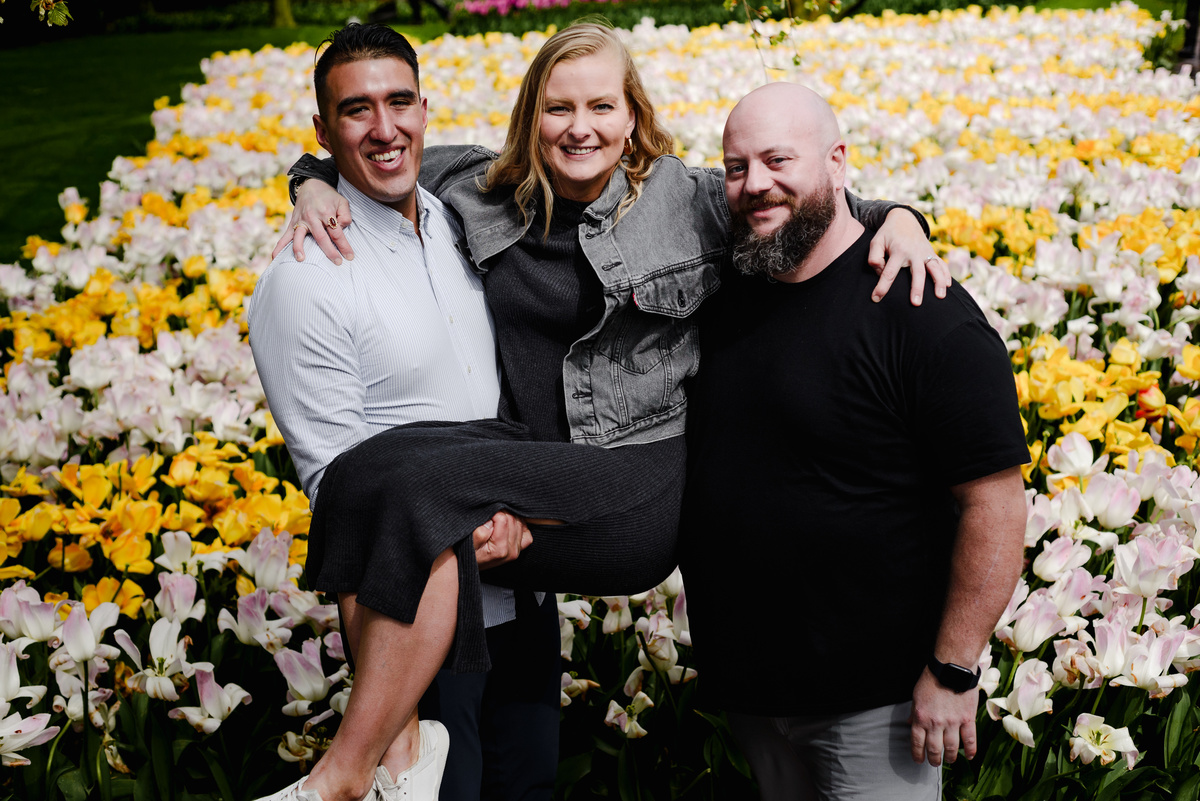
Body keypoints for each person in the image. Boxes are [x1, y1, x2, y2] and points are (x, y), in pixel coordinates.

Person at [267, 21, 947, 801]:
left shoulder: (687, 200)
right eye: (558, 108)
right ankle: (402, 763)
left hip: (640, 480)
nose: (579, 126)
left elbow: (814, 201)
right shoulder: (479, 187)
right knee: (370, 477)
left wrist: (901, 219)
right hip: (544, 478)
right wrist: (310, 180)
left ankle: (343, 776)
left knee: (395, 487)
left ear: (632, 117)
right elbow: (371, 151)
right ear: (532, 117)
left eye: (600, 105)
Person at [678, 82, 1029, 800]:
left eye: (779, 160)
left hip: (879, 705)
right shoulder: (730, 294)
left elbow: (996, 504)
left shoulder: (921, 311)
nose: (755, 184)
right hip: (754, 693)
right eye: (737, 166)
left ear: (839, 163)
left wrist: (955, 669)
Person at [248, 24, 560, 801]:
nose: (385, 130)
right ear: (323, 133)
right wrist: (469, 530)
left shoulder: (469, 217)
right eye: (357, 111)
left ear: (426, 108)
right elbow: (341, 483)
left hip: (528, 593)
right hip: (418, 620)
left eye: (399, 103)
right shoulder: (307, 277)